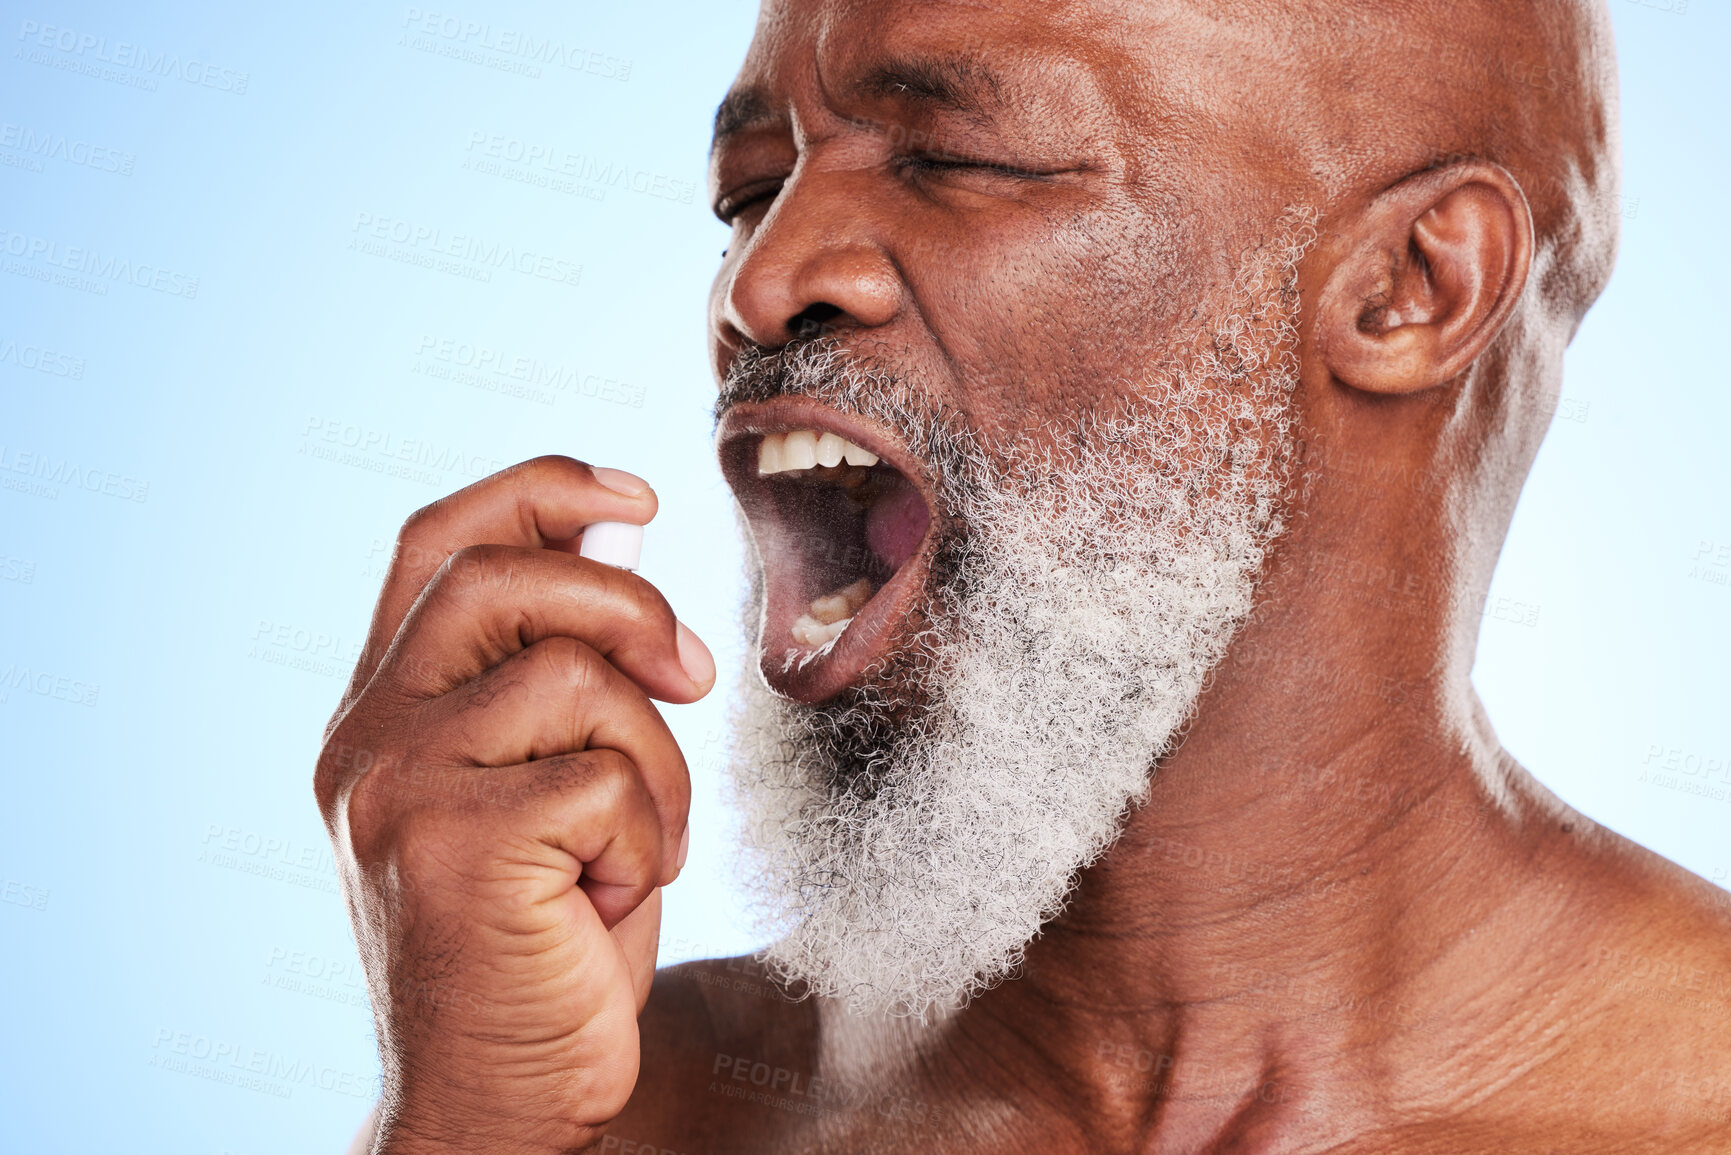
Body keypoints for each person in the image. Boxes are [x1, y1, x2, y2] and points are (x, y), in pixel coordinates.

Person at [316, 1, 1731, 1151]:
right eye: (750, 193)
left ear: (1409, 289)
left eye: (963, 161)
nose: (760, 286)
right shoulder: (609, 1110)